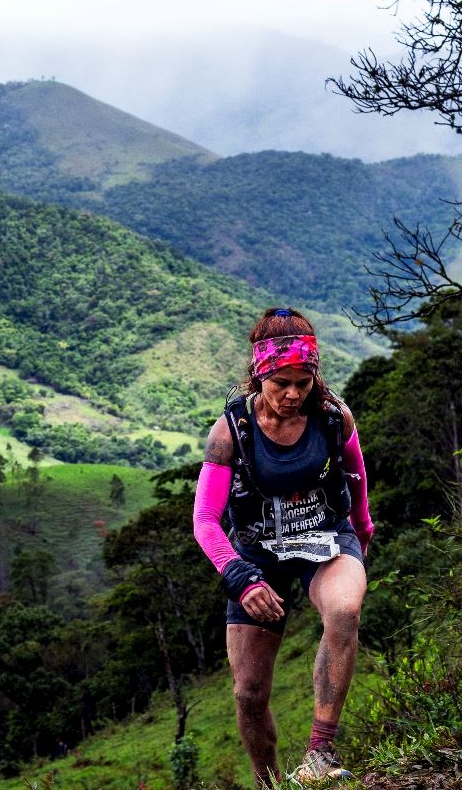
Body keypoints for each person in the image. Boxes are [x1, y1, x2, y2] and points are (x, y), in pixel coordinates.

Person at [192, 307, 373, 786]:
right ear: (259, 375)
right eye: (281, 383)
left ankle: (320, 753)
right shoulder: (231, 432)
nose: (293, 394)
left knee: (344, 611)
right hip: (255, 552)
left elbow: (356, 474)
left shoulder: (334, 418)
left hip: (326, 536)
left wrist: (363, 529)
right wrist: (238, 574)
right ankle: (269, 783)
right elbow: (206, 519)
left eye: (303, 381)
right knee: (249, 693)